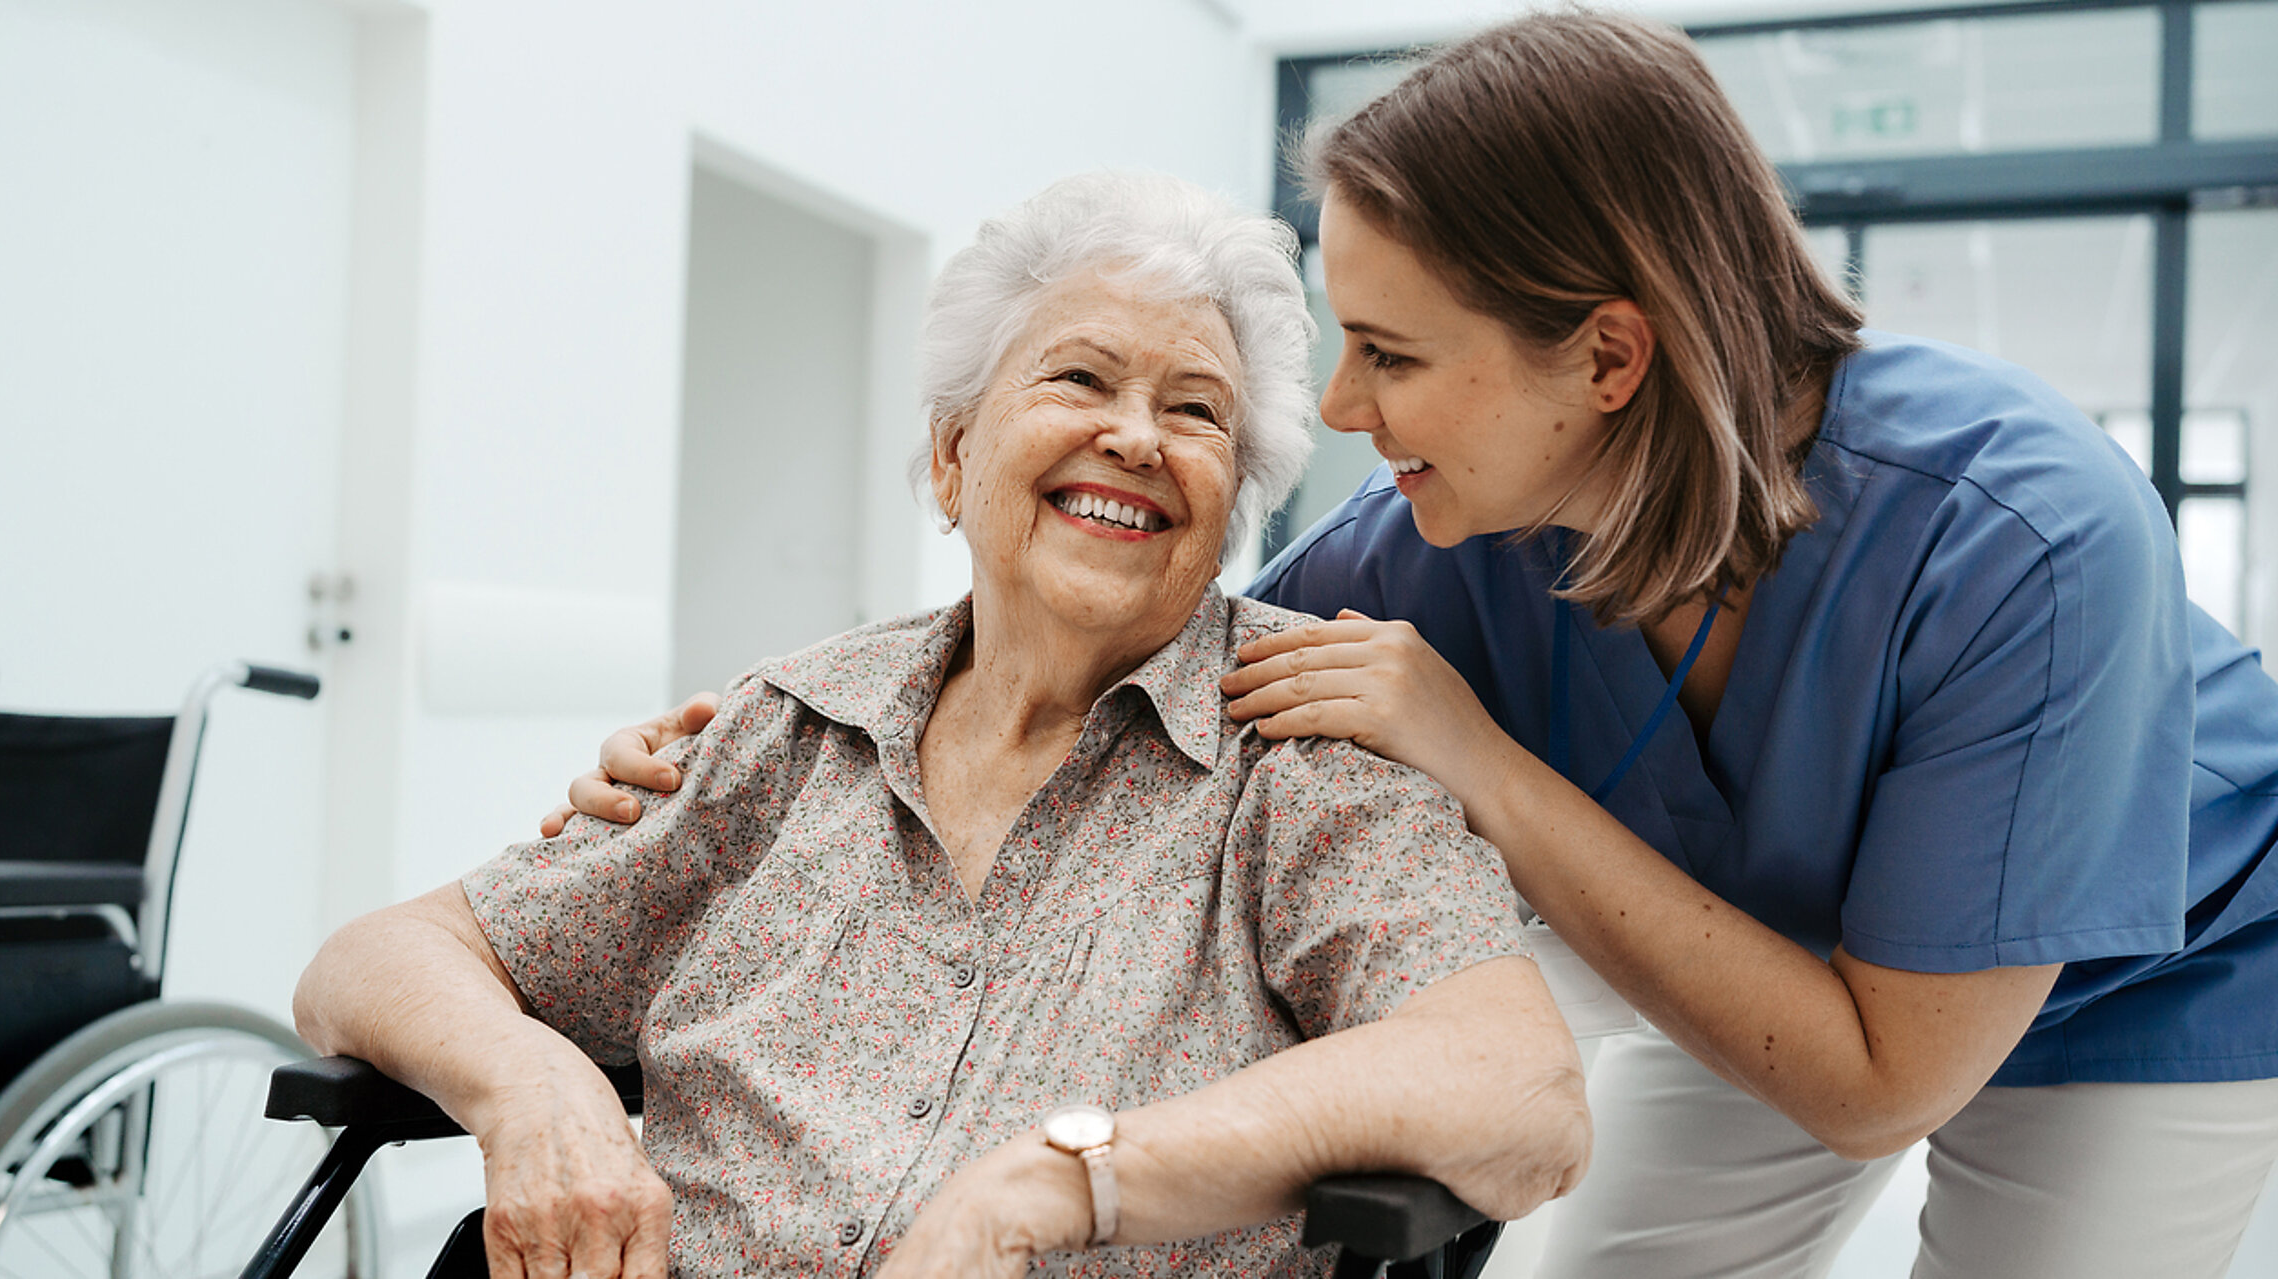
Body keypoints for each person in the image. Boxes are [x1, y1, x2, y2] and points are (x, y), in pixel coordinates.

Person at [556, 14, 2278, 1279]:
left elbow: (1879, 1085)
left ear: (1609, 358)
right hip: (1768, 959)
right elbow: (1142, 682)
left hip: (2148, 971)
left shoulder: (2018, 540)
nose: (1344, 407)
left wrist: (1480, 760)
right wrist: (763, 759)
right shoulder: (1428, 533)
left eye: (1388, 350)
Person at [301, 171, 1590, 1279]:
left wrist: (1056, 1181)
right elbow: (371, 963)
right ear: (951, 457)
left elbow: (1517, 1088)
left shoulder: (1300, 752)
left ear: (1235, 499)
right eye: (1079, 378)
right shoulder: (791, 729)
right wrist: (531, 1087)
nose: (1135, 437)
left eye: (1195, 410)